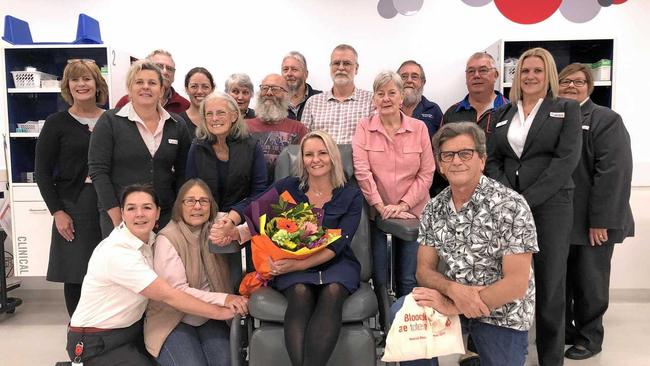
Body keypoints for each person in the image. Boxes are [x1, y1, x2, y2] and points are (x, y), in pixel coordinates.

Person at [212, 131, 363, 366]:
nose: (316, 159)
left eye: (322, 153)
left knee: (333, 291)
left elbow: (340, 243)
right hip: (289, 264)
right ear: (301, 159)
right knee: (300, 292)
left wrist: (299, 264)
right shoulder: (289, 187)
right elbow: (253, 206)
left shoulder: (351, 195)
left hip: (335, 262)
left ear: (333, 157)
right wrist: (231, 222)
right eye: (309, 154)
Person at [395, 122, 538, 366]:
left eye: (465, 153)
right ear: (440, 164)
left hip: (502, 311)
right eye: (448, 155)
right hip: (452, 297)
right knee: (403, 309)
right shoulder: (433, 208)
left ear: (482, 160)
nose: (456, 161)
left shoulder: (511, 205)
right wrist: (452, 293)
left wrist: (456, 305)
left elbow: (516, 284)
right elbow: (423, 271)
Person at [486, 47, 582, 366]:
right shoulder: (503, 114)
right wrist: (510, 198)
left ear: (549, 75)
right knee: (507, 280)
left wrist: (527, 199)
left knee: (550, 283)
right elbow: (494, 159)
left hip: (551, 207)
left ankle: (550, 358)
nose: (529, 76)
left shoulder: (566, 110)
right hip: (509, 209)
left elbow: (565, 160)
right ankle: (505, 352)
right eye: (524, 71)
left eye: (537, 71)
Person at [67, 184, 236, 365]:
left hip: (131, 331)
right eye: (131, 208)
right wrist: (221, 311)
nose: (139, 214)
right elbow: (170, 295)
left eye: (147, 207)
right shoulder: (118, 252)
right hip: (96, 340)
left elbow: (226, 220)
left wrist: (233, 228)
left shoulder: (152, 240)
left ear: (157, 213)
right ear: (122, 214)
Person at [558, 63, 634, 360]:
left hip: (593, 221)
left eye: (578, 81)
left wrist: (600, 220)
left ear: (590, 86)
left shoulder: (606, 119)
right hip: (562, 220)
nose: (571, 87)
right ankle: (563, 330)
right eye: (565, 81)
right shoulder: (555, 117)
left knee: (590, 282)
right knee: (559, 280)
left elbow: (613, 173)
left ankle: (589, 337)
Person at [352, 70, 434, 309]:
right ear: (374, 99)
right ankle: (384, 330)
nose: (386, 99)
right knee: (379, 277)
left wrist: (403, 206)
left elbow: (427, 172)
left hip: (413, 215)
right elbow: (362, 171)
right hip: (377, 215)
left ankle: (404, 332)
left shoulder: (418, 128)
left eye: (391, 93)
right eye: (380, 94)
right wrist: (380, 206)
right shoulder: (364, 128)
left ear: (401, 97)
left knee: (409, 277)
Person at [144, 179, 249, 365]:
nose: (197, 206)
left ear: (211, 205)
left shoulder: (217, 225)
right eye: (190, 201)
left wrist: (234, 230)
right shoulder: (167, 239)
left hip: (209, 317)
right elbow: (178, 292)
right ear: (179, 205)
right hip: (172, 319)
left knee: (225, 361)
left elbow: (251, 223)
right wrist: (226, 299)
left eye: (204, 201)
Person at [34, 59, 108, 317]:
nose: (81, 84)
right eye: (75, 79)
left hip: (108, 204)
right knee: (77, 274)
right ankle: (79, 336)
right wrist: (57, 212)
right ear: (67, 86)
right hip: (74, 206)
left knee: (109, 271)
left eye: (87, 78)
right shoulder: (56, 123)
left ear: (97, 83)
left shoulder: (111, 120)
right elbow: (41, 173)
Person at [89, 60, 191, 238]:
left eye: (152, 83)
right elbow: (98, 171)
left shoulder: (176, 125)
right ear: (130, 88)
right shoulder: (110, 121)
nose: (146, 87)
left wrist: (177, 214)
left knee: (162, 265)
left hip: (164, 218)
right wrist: (116, 216)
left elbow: (184, 173)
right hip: (120, 216)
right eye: (139, 82)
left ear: (161, 90)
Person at [432, 52, 509, 197]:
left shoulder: (510, 111)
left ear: (496, 75)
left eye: (483, 70)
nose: (476, 75)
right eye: (471, 71)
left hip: (500, 196)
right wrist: (458, 182)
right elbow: (439, 154)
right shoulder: (452, 113)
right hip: (459, 194)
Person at [186, 91, 267, 211]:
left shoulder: (252, 146)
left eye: (221, 113)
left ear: (234, 116)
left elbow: (259, 191)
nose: (214, 119)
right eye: (209, 114)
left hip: (242, 218)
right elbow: (190, 188)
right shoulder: (197, 146)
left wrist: (235, 216)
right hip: (204, 217)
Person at [301, 44, 373, 144]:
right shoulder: (313, 102)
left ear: (356, 69)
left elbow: (376, 140)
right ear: (330, 67)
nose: (341, 68)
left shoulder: (371, 101)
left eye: (347, 63)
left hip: (357, 159)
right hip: (321, 159)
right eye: (336, 63)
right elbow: (304, 142)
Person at [246, 74, 309, 184]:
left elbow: (304, 166)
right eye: (264, 88)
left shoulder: (299, 128)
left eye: (275, 89)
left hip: (287, 193)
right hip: (250, 192)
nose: (269, 93)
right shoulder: (244, 126)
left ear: (287, 95)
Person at [115, 49, 190, 114]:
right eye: (159, 66)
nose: (165, 71)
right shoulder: (124, 103)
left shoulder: (184, 106)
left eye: (169, 68)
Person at [396, 60, 443, 138]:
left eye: (414, 77)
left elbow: (443, 143)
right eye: (404, 76)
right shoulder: (389, 109)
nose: (409, 80)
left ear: (423, 82)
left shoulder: (434, 110)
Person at [281, 51, 322, 121]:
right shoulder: (276, 100)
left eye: (294, 69)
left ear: (306, 74)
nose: (289, 73)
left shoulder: (321, 99)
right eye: (285, 69)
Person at [180, 67, 215, 138]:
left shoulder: (220, 120)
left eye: (205, 87)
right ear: (187, 89)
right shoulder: (179, 123)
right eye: (194, 86)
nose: (199, 91)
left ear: (212, 89)